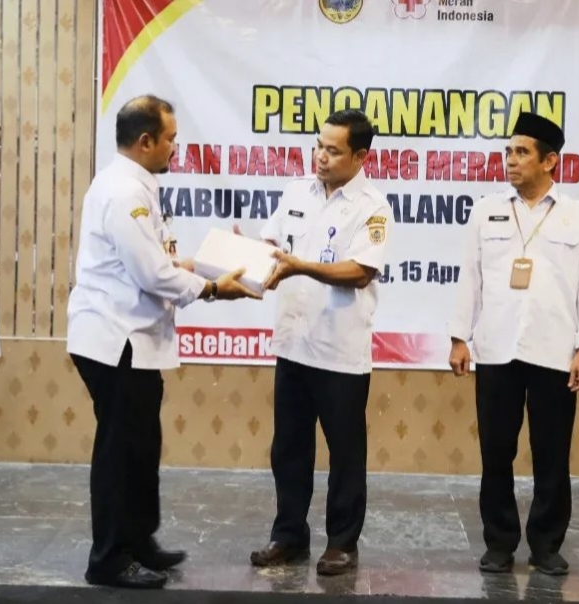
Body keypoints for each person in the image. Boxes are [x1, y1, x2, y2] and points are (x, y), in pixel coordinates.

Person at [66, 94, 260, 590]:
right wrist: (212, 288)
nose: (176, 147)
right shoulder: (123, 192)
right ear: (146, 140)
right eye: (171, 138)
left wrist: (204, 264)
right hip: (115, 339)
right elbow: (151, 274)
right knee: (120, 451)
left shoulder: (138, 186)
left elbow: (159, 260)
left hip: (133, 339)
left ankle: (139, 540)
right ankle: (109, 558)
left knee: (141, 445)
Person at [447, 112, 579, 576]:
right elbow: (470, 277)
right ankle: (499, 543)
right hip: (497, 349)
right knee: (496, 452)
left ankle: (546, 544)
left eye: (521, 152)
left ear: (549, 160)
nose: (511, 161)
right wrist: (459, 337)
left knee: (551, 454)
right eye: (508, 152)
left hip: (554, 352)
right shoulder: (486, 211)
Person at [246, 109, 393, 576]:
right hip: (293, 344)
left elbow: (360, 271)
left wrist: (300, 266)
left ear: (360, 156)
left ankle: (342, 543)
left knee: (345, 454)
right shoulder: (296, 192)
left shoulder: (373, 206)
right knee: (288, 450)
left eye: (332, 150)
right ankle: (288, 535)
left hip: (339, 352)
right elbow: (271, 248)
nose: (321, 157)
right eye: (318, 146)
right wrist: (245, 252)